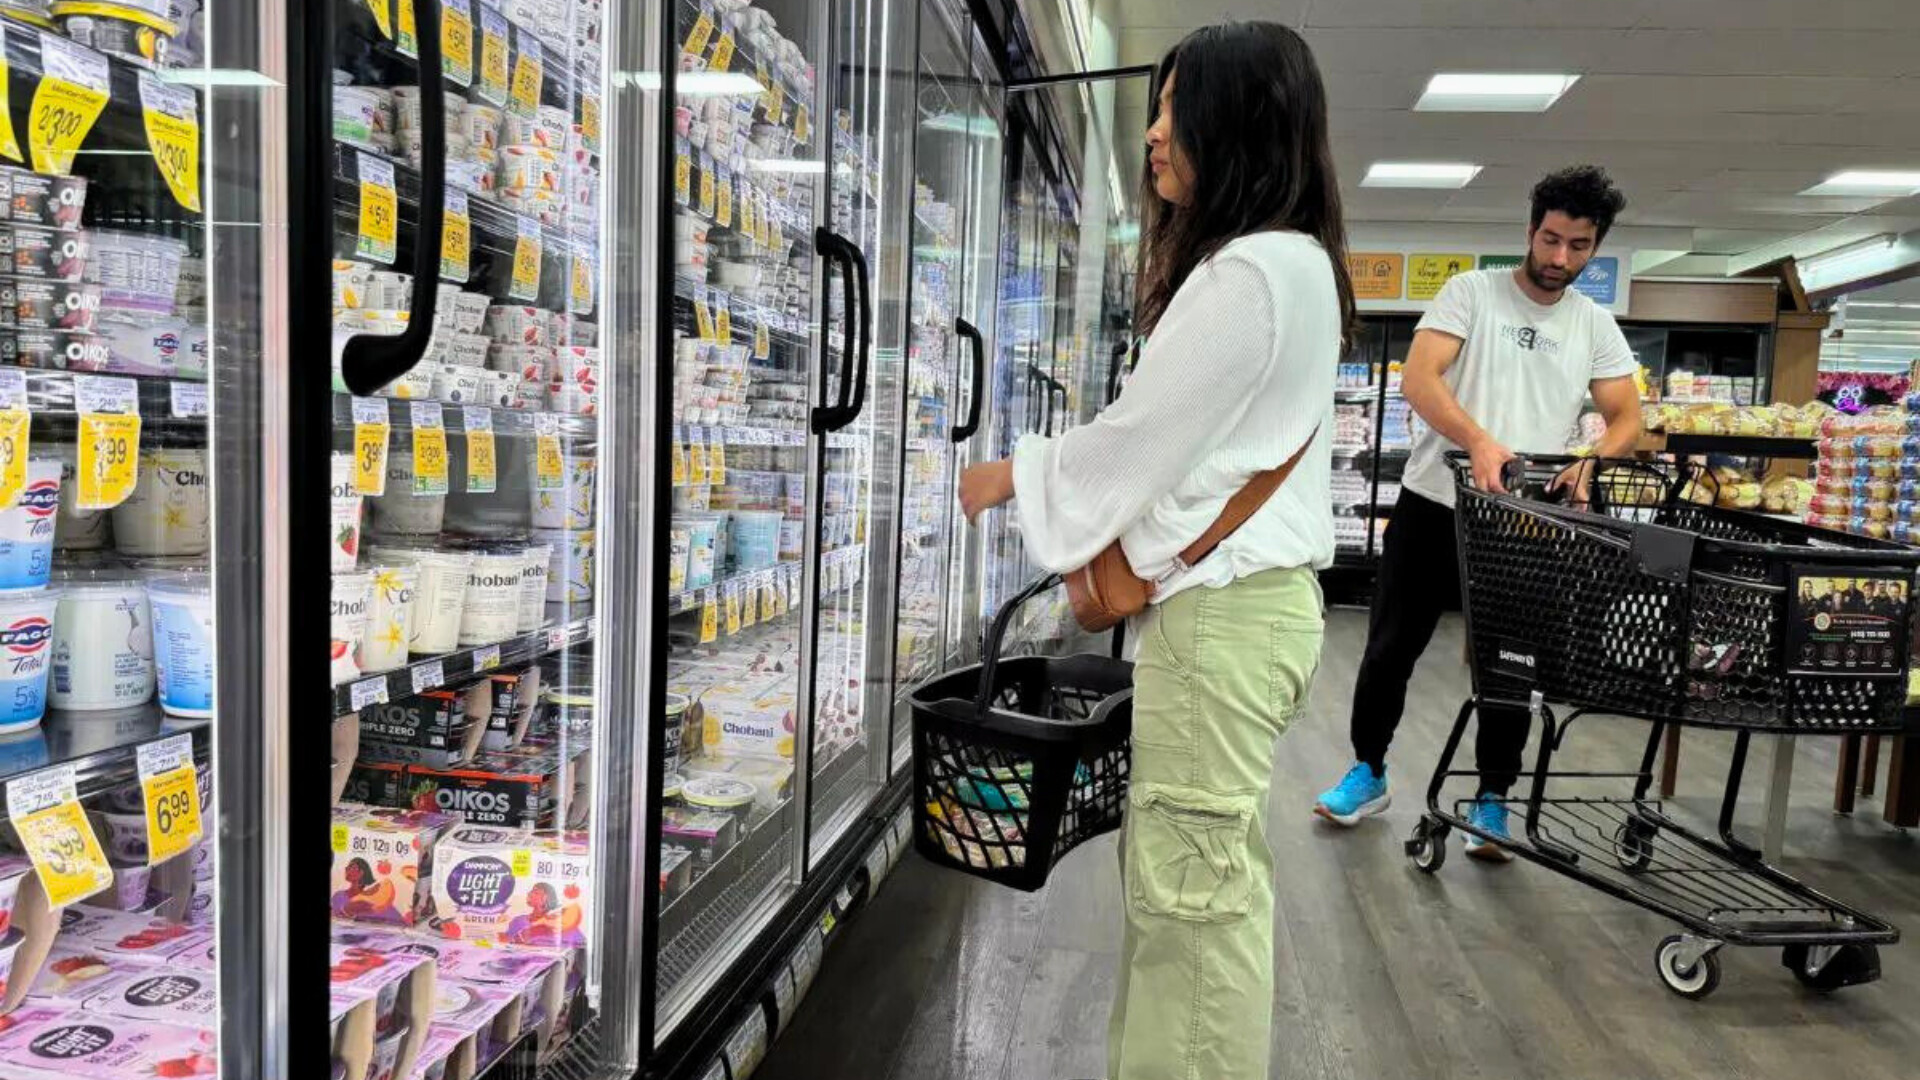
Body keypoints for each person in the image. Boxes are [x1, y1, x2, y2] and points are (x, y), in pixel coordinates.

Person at [957, 21, 1347, 1080]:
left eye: (1178, 112)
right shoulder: (1298, 266)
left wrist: (1012, 474)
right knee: (1196, 885)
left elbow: (1138, 444)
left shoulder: (1250, 275)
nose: (1157, 135)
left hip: (1220, 625)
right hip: (1248, 617)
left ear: (1242, 124)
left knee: (1191, 898)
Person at [1314, 165, 1645, 861]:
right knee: (1389, 650)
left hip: (1524, 526)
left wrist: (1593, 460)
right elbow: (1419, 378)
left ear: (1595, 246)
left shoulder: (1594, 325)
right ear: (1530, 230)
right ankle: (1367, 770)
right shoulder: (1471, 293)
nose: (1560, 259)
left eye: (1578, 246)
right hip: (1434, 503)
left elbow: (1625, 416)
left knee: (1508, 668)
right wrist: (1478, 439)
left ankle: (1493, 798)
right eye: (1551, 239)